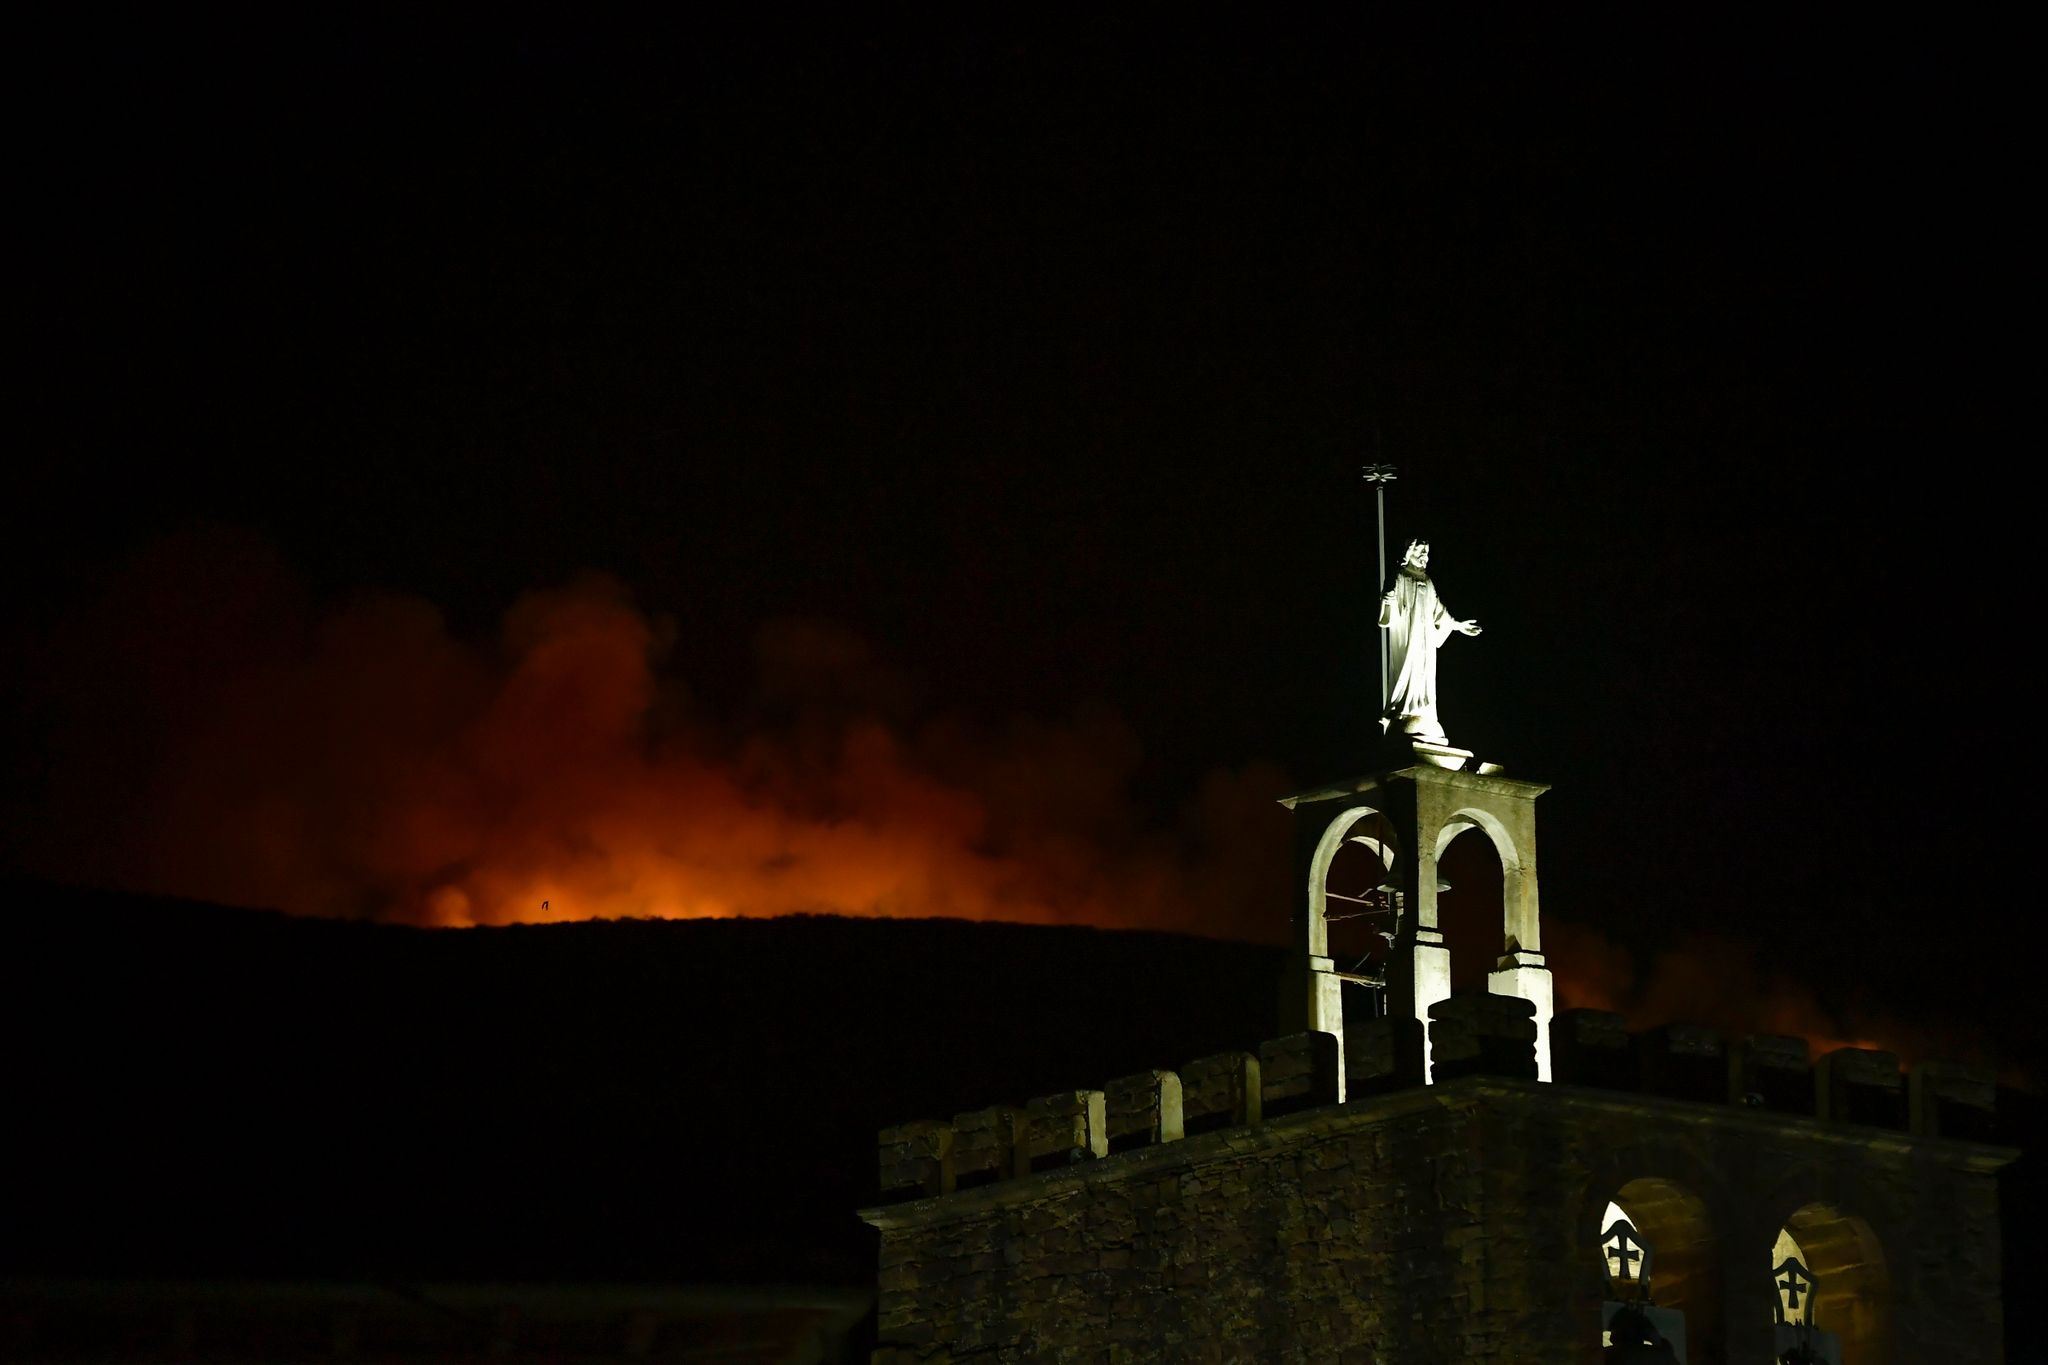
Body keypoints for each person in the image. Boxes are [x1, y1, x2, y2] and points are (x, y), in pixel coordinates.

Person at [1379, 538, 1480, 745]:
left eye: (1427, 552)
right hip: (1407, 637)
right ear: (1410, 552)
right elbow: (1388, 607)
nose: (1425, 556)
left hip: (1424, 642)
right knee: (1406, 671)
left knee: (1424, 674)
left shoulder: (1428, 581)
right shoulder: (1400, 576)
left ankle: (1422, 710)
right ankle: (1402, 711)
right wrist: (1387, 602)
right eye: (1420, 551)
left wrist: (1458, 625)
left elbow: (1439, 612)